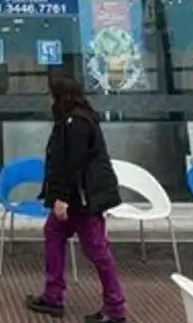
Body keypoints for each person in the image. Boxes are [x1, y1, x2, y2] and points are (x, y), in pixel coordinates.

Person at [25, 72, 127, 323]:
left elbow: (74, 164)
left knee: (97, 250)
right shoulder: (71, 120)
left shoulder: (77, 123)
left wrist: (62, 198)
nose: (47, 98)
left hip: (82, 201)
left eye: (50, 93)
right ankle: (53, 296)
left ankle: (115, 307)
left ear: (60, 95)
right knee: (54, 234)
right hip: (77, 199)